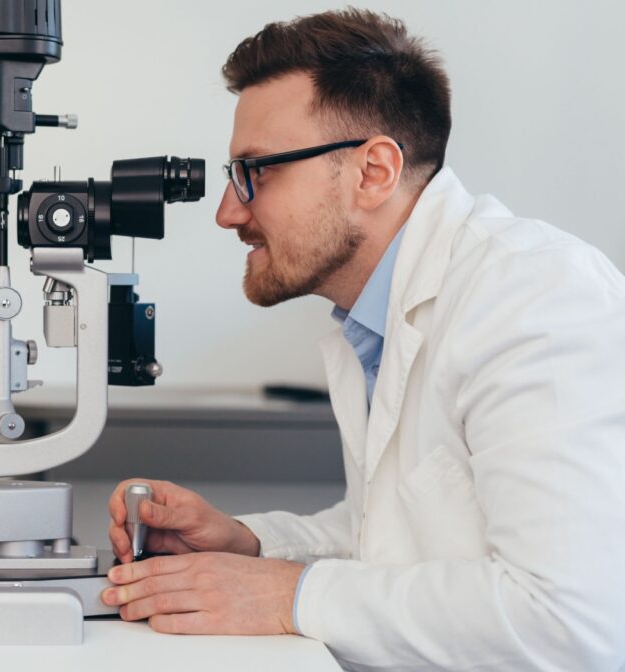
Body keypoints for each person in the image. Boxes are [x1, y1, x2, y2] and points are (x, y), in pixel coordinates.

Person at [103, 9, 625, 671]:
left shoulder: (535, 299)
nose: (229, 211)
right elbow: (397, 542)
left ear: (374, 171)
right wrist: (245, 543)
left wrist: (290, 594)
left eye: (255, 172)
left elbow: (569, 621)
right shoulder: (375, 319)